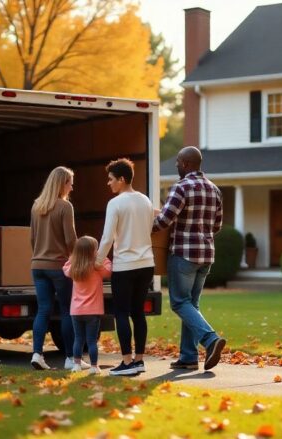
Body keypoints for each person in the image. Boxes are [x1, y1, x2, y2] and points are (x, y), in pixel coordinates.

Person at [153, 146, 227, 371]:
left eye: (177, 162)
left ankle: (210, 339)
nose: (176, 165)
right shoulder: (214, 190)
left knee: (179, 302)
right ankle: (188, 357)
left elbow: (164, 220)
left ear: (185, 164)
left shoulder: (181, 187)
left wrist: (144, 227)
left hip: (184, 254)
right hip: (206, 255)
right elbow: (217, 226)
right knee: (191, 304)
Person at [97, 158, 155, 376]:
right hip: (146, 264)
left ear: (121, 179)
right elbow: (148, 228)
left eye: (111, 179)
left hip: (125, 266)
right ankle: (139, 360)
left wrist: (97, 261)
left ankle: (127, 362)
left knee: (121, 313)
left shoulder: (116, 203)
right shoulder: (146, 200)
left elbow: (107, 238)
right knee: (138, 312)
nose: (108, 183)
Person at [29, 166, 84, 371]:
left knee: (43, 310)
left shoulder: (36, 206)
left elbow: (32, 238)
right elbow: (71, 240)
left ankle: (37, 354)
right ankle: (70, 357)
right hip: (59, 267)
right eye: (70, 182)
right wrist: (77, 258)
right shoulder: (64, 207)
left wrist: (40, 255)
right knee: (67, 311)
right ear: (62, 184)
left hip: (37, 266)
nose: (72, 186)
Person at [63, 236, 112, 375]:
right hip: (93, 311)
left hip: (76, 311)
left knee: (78, 338)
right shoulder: (97, 268)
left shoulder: (74, 268)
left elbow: (65, 267)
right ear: (94, 251)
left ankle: (77, 365)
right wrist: (101, 257)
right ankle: (94, 366)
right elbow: (109, 269)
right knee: (91, 341)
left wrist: (73, 257)